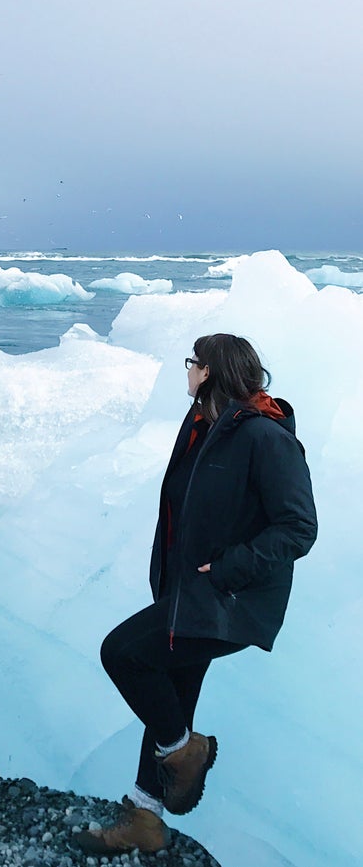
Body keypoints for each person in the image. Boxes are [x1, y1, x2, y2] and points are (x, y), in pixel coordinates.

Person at [75, 333, 317, 856]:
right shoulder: (205, 427)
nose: (187, 369)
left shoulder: (264, 437)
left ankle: (187, 750)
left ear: (209, 371)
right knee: (171, 695)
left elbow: (299, 528)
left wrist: (229, 569)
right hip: (192, 593)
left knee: (121, 653)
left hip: (228, 600)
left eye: (193, 362)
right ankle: (146, 818)